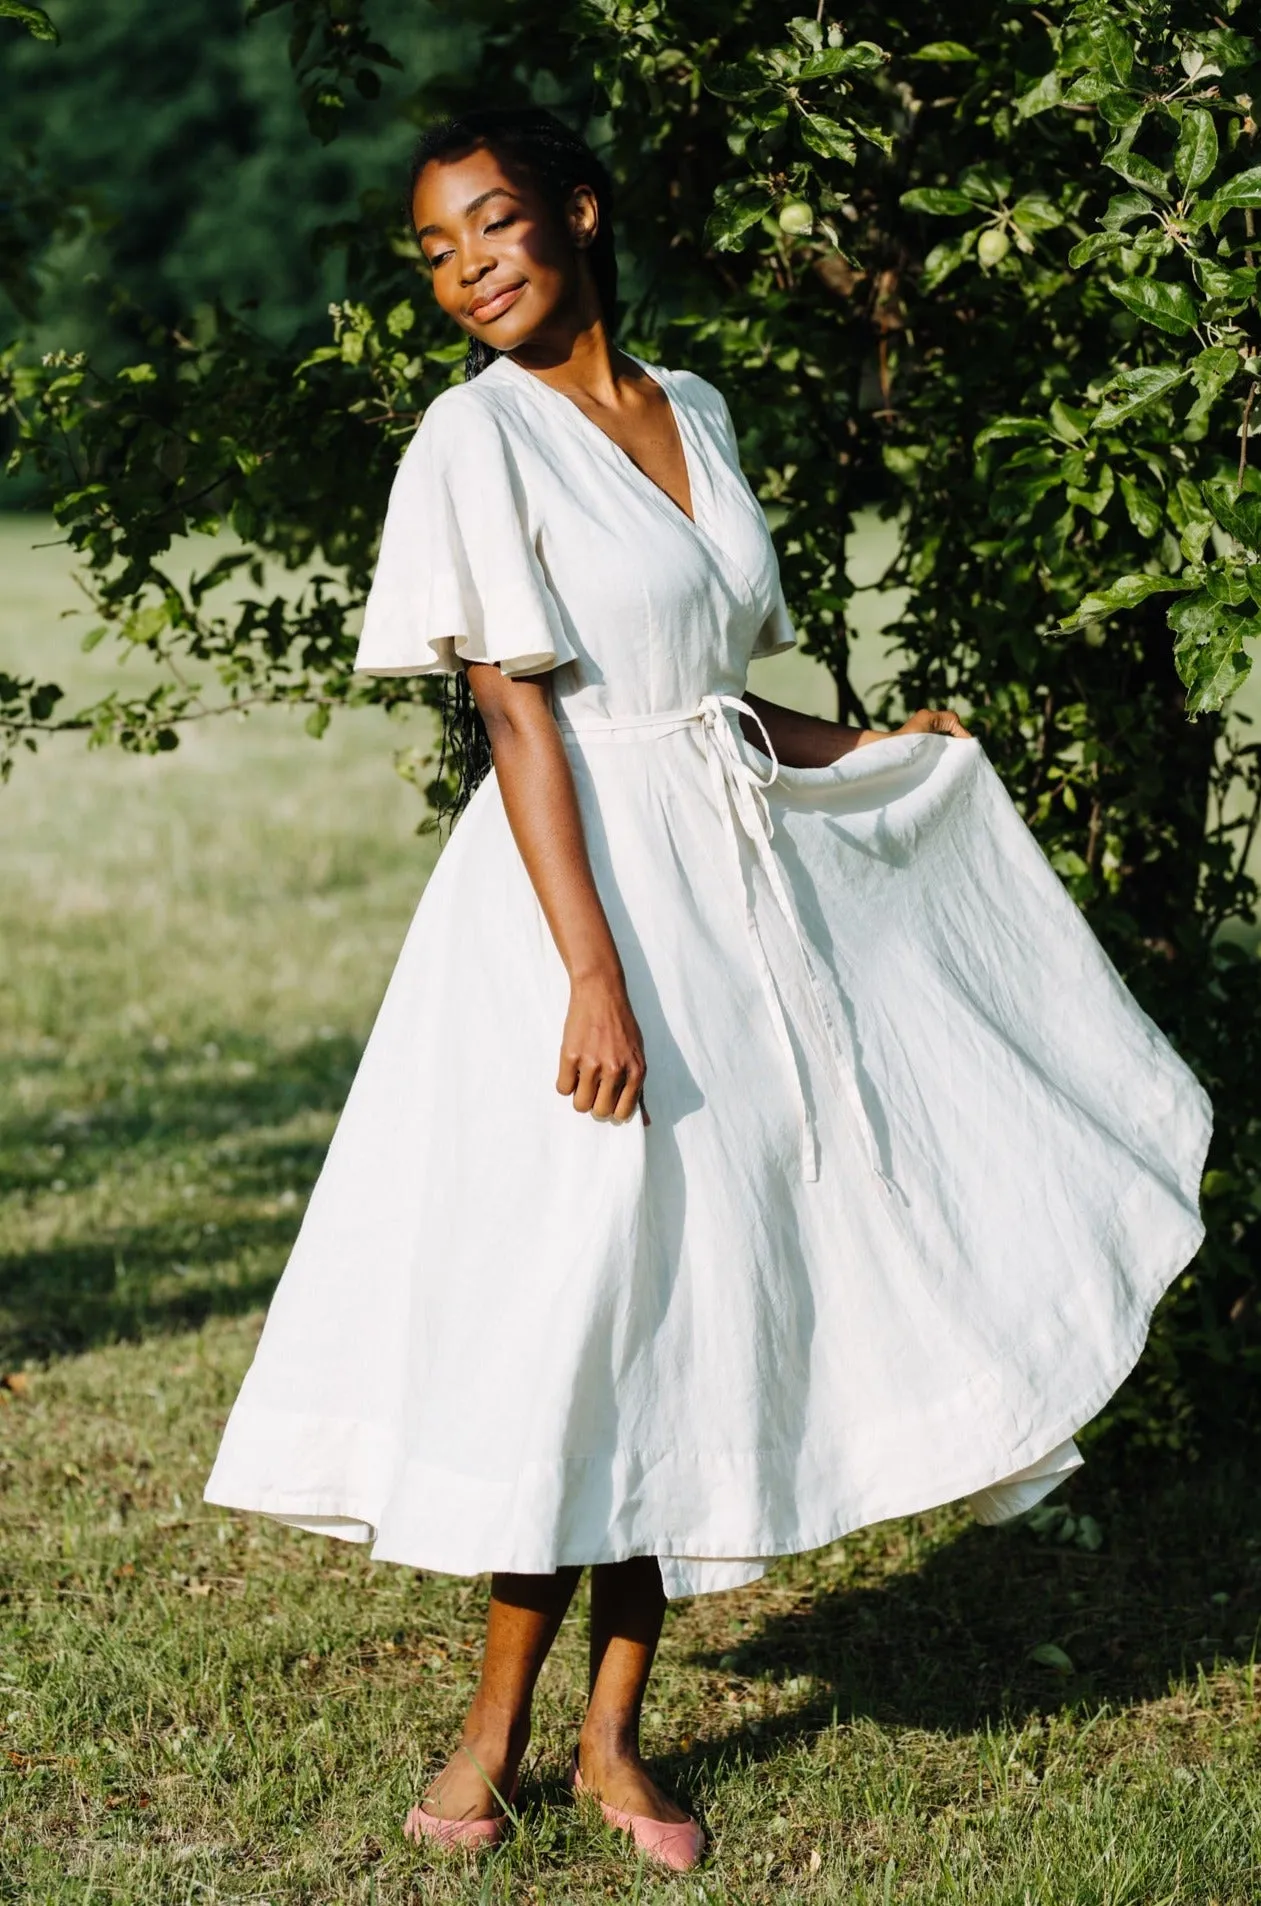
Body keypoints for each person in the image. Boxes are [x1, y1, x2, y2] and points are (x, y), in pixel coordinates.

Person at [203, 107, 1212, 1873]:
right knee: (579, 1295)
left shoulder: (698, 411)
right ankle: (489, 1729)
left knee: (687, 1299)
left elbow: (711, 695)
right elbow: (519, 713)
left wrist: (875, 745)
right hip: (573, 906)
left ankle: (611, 1739)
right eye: (438, 250)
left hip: (732, 899)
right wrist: (592, 975)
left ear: (577, 214)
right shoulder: (472, 436)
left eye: (495, 224)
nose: (469, 270)